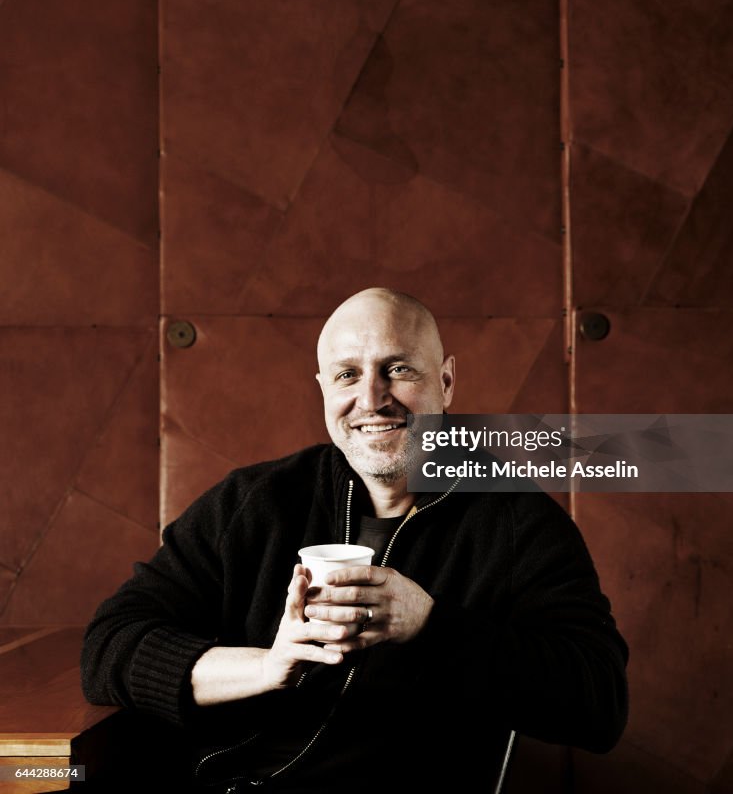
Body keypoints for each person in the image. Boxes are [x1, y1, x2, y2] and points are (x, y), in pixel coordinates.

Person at [81, 288, 628, 792]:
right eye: (347, 375)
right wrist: (269, 666)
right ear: (322, 390)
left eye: (398, 369)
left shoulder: (518, 523)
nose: (372, 398)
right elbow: (110, 644)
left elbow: (600, 704)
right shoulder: (252, 503)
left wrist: (431, 627)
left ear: (447, 382)